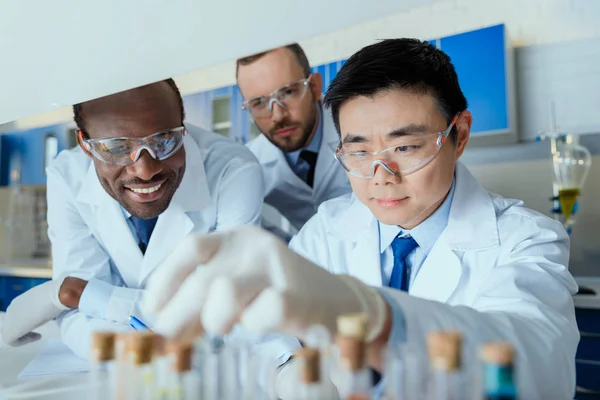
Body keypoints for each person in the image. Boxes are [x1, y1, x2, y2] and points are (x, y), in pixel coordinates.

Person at [141, 39, 579, 399]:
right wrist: (288, 370)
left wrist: (377, 318)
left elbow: (535, 363)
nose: (381, 176)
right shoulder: (327, 229)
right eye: (358, 152)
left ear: (459, 134)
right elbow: (267, 340)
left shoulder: (527, 238)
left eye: (405, 147)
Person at [0, 79, 277, 358]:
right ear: (85, 144)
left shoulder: (233, 170)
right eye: (118, 147)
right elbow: (76, 320)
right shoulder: (67, 176)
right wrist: (141, 350)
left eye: (164, 140)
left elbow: (227, 311)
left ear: (184, 128)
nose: (145, 170)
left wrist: (84, 294)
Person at [236, 43, 352, 239]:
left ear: (314, 87)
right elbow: (240, 228)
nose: (278, 115)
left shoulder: (356, 130)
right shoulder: (252, 162)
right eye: (259, 103)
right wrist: (292, 251)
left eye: (288, 92)